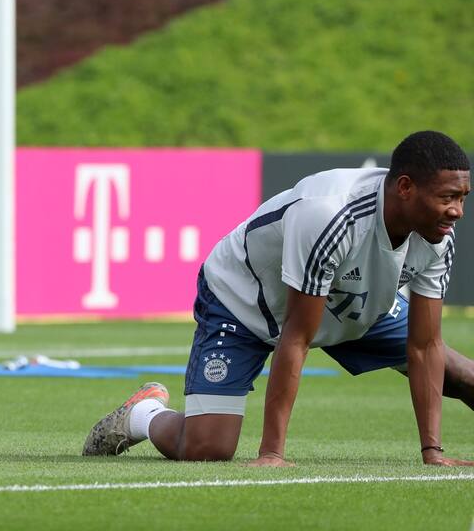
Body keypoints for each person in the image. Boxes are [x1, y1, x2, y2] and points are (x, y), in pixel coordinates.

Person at [83, 130, 474, 467]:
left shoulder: (437, 232)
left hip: (349, 301)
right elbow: (297, 336)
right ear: (405, 188)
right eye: (448, 197)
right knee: (207, 447)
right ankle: (144, 413)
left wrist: (432, 451)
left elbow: (425, 345)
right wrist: (272, 452)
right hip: (244, 301)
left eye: (463, 198)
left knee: (465, 377)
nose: (457, 211)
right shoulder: (329, 215)